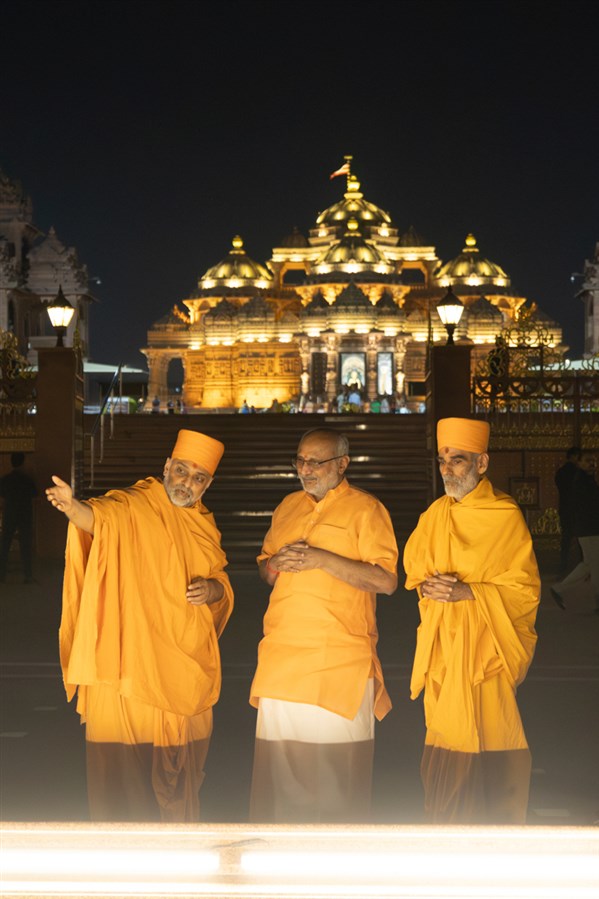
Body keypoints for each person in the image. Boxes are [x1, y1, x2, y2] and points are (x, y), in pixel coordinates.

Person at [45, 429, 234, 822]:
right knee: (122, 775)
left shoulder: (203, 524)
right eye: (181, 471)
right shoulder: (133, 504)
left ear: (209, 484)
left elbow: (221, 582)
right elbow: (99, 518)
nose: (187, 483)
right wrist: (72, 507)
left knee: (181, 771)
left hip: (184, 662)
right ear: (167, 467)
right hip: (129, 664)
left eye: (198, 478)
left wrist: (214, 589)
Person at [249, 427, 398, 823]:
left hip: (339, 660)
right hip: (283, 657)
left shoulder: (366, 510)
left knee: (337, 777)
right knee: (280, 772)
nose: (306, 469)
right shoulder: (287, 506)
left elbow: (385, 581)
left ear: (342, 464)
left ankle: (333, 869)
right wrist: (276, 564)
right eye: (300, 460)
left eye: (316, 461)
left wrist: (322, 560)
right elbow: (266, 569)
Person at [403, 417, 540, 824]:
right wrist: (430, 587)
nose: (447, 470)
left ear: (482, 463)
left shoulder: (504, 515)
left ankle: (496, 831)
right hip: (445, 650)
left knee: (492, 734)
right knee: (444, 736)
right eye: (442, 461)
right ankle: (446, 831)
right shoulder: (435, 514)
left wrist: (469, 592)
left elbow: (524, 590)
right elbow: (413, 570)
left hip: (486, 652)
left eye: (457, 461)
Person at [551, 451, 599, 613]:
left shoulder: (586, 480)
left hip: (588, 528)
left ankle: (559, 589)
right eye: (587, 461)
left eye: (593, 460)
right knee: (595, 565)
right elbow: (589, 507)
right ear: (578, 463)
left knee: (588, 564)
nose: (592, 463)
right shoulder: (581, 482)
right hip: (589, 529)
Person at [0, 452, 37, 583]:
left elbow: (2, 494)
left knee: (5, 544)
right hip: (24, 514)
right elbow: (34, 494)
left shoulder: (5, 479)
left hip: (9, 513)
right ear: (22, 463)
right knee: (25, 544)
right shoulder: (27, 479)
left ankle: (2, 575)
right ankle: (27, 575)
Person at [554, 446, 582, 577]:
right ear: (573, 456)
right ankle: (582, 568)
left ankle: (563, 568)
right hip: (578, 510)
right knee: (582, 540)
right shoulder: (578, 472)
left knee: (566, 539)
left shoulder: (561, 472)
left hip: (565, 509)